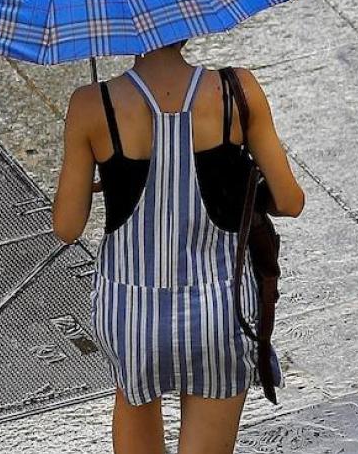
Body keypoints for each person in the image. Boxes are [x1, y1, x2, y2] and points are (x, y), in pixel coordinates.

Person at [52, 41, 304, 454]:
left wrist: (97, 177)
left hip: (132, 314)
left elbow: (67, 226)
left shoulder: (91, 104)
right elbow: (290, 201)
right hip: (219, 309)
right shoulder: (235, 91)